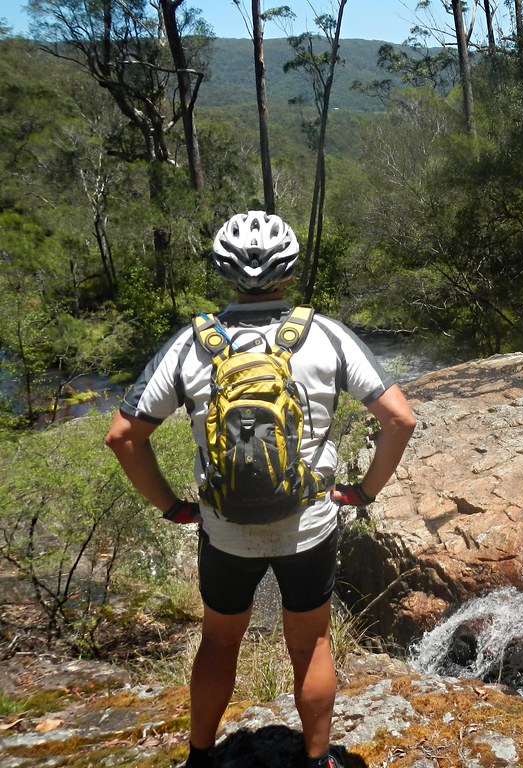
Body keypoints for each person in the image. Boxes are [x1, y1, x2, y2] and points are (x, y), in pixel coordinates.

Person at [105, 211, 416, 768]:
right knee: (312, 645)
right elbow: (399, 419)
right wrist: (364, 493)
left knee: (219, 643)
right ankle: (317, 761)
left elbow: (124, 436)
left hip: (224, 529)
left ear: (224, 272)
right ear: (289, 271)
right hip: (309, 522)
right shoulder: (324, 335)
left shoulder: (192, 343)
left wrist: (173, 506)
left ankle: (201, 758)